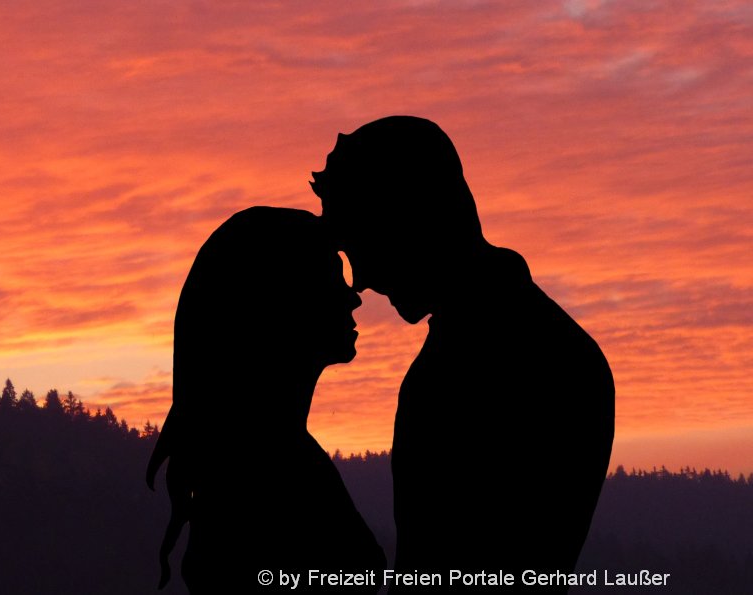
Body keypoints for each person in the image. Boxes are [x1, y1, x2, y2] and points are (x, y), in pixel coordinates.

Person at [312, 116, 614, 593]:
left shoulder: (467, 370)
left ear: (411, 221)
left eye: (363, 246)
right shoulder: (558, 349)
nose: (362, 281)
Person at [147, 207, 385, 593]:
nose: (353, 298)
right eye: (330, 278)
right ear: (282, 304)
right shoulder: (265, 467)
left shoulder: (266, 456)